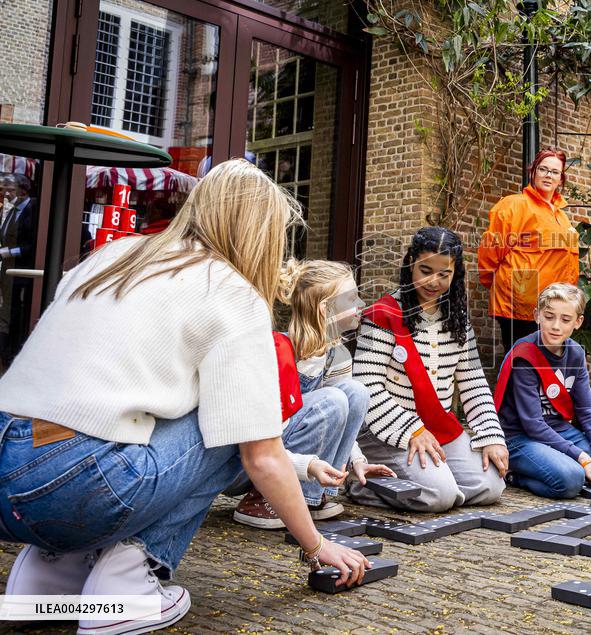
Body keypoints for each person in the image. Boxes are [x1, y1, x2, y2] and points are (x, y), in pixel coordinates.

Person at [0, 160, 369, 634]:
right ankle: (130, 584)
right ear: (259, 234)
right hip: (78, 488)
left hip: (10, 476)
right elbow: (257, 453)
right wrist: (318, 546)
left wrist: (303, 464)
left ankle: (50, 578)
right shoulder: (231, 292)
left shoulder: (113, 256)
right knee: (231, 417)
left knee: (132, 428)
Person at [225, 259, 395, 528]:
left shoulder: (336, 355)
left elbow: (342, 416)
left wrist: (358, 461)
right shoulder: (279, 351)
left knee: (355, 392)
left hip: (294, 459)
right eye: (352, 298)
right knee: (333, 399)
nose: (362, 304)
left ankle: (311, 497)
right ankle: (265, 497)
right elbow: (256, 434)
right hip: (247, 461)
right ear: (325, 309)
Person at [349, 227, 509, 512]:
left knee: (491, 486)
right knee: (440, 495)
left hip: (439, 427)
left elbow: (474, 383)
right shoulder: (381, 315)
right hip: (387, 429)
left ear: (455, 273)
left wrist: (491, 437)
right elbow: (367, 386)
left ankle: (430, 486)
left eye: (444, 274)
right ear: (411, 263)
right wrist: (412, 430)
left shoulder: (458, 320)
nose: (433, 281)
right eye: (425, 270)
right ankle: (359, 483)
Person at [496, 283, 591, 499]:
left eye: (565, 320)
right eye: (549, 317)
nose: (556, 326)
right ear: (537, 316)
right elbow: (533, 424)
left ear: (578, 322)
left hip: (559, 430)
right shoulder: (525, 356)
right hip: (520, 437)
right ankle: (514, 476)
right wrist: (580, 457)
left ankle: (568, 462)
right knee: (571, 479)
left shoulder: (576, 354)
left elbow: (587, 408)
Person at [478, 147, 580, 354]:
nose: (548, 175)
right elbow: (490, 252)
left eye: (554, 172)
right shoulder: (513, 206)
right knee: (521, 366)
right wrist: (504, 288)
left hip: (553, 306)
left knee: (543, 370)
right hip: (521, 306)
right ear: (533, 172)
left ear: (561, 179)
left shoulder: (562, 217)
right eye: (543, 169)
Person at [0, 173, 36, 367]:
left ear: (23, 190)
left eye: (10, 190)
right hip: (7, 269)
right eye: (4, 189)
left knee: (14, 311)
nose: (6, 193)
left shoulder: (32, 209)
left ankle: (11, 351)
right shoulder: (13, 210)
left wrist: (6, 252)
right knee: (5, 309)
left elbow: (32, 244)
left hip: (20, 271)